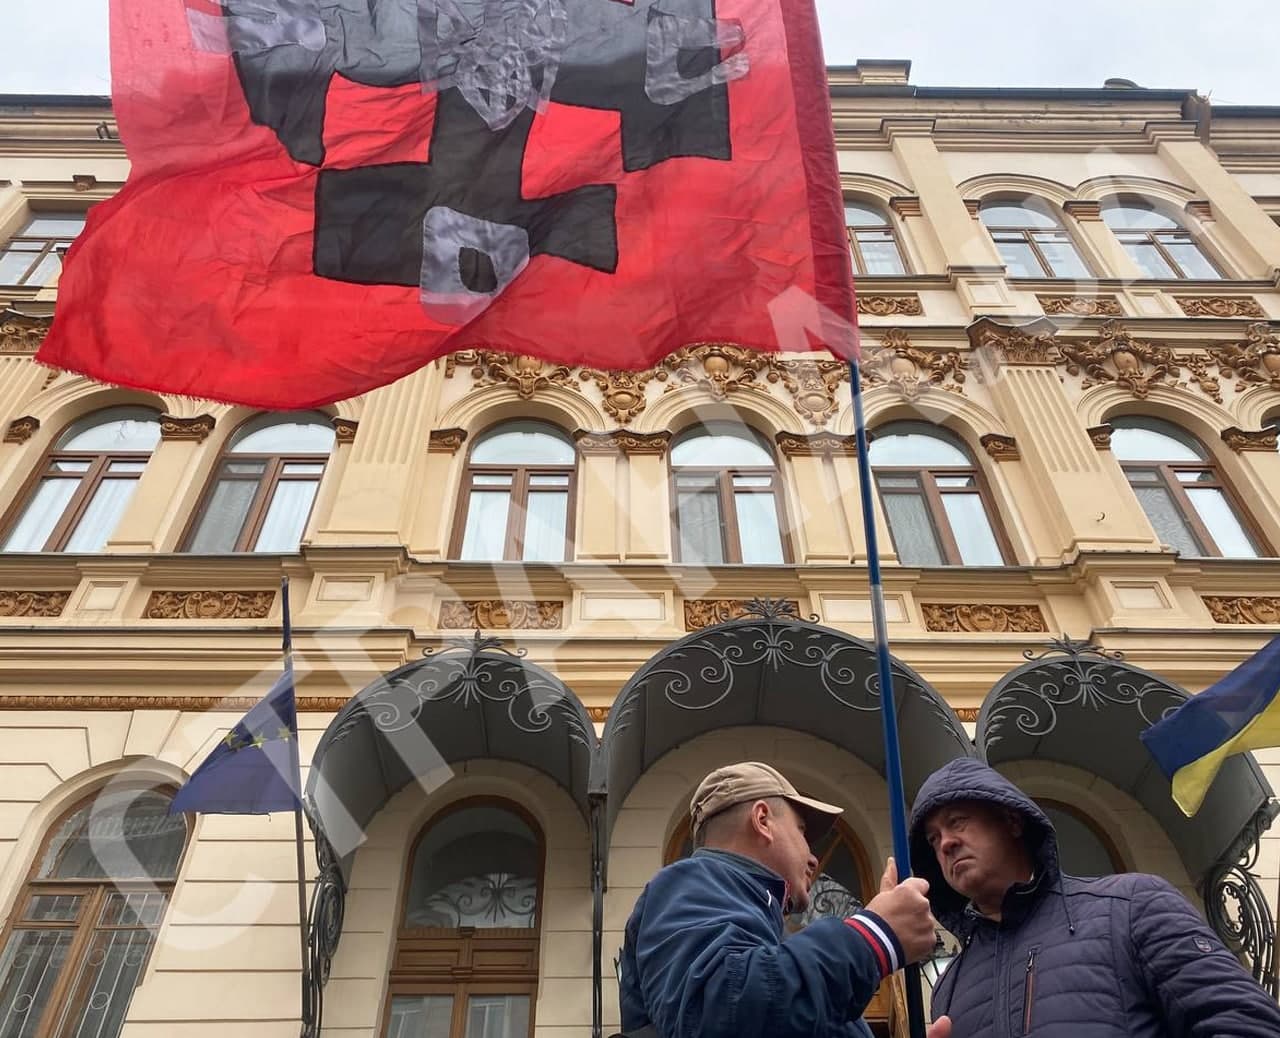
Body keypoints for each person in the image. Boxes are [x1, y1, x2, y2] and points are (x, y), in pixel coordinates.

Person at [909, 757, 1280, 1037]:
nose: (946, 843)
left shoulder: (1132, 905)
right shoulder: (948, 987)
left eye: (958, 822)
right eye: (933, 838)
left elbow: (1248, 1024)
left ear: (1012, 822)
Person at [616, 761, 951, 1038]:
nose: (814, 859)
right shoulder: (693, 881)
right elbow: (715, 1011)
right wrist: (873, 937)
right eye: (802, 830)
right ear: (763, 821)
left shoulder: (762, 927)